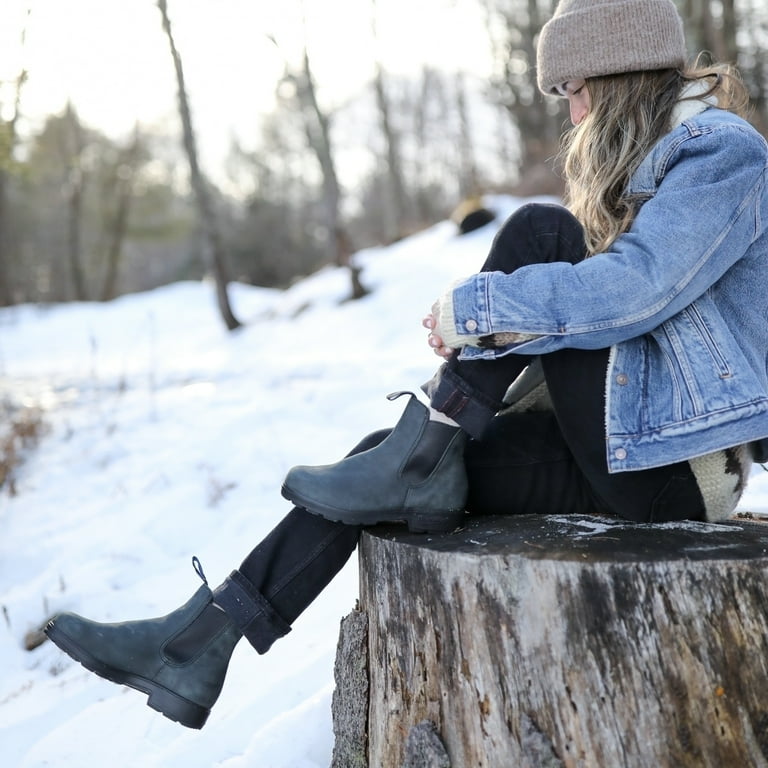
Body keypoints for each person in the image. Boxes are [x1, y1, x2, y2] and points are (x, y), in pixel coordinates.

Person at [45, 0, 768, 732]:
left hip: (674, 472)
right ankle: (198, 644)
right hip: (620, 449)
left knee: (538, 230)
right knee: (377, 473)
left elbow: (636, 291)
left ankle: (426, 441)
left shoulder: (720, 154)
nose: (574, 114)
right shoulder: (664, 164)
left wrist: (487, 312)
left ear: (615, 74)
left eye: (575, 88)